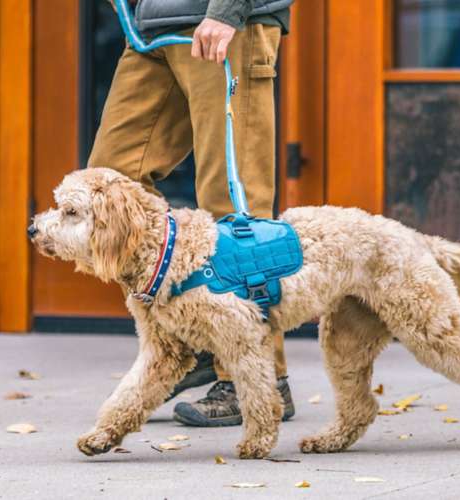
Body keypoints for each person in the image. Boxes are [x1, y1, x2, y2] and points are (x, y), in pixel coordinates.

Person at [90, 0, 295, 427]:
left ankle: (256, 381)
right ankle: (199, 340)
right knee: (110, 187)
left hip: (223, 21)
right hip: (150, 28)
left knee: (233, 205)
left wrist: (227, 11)